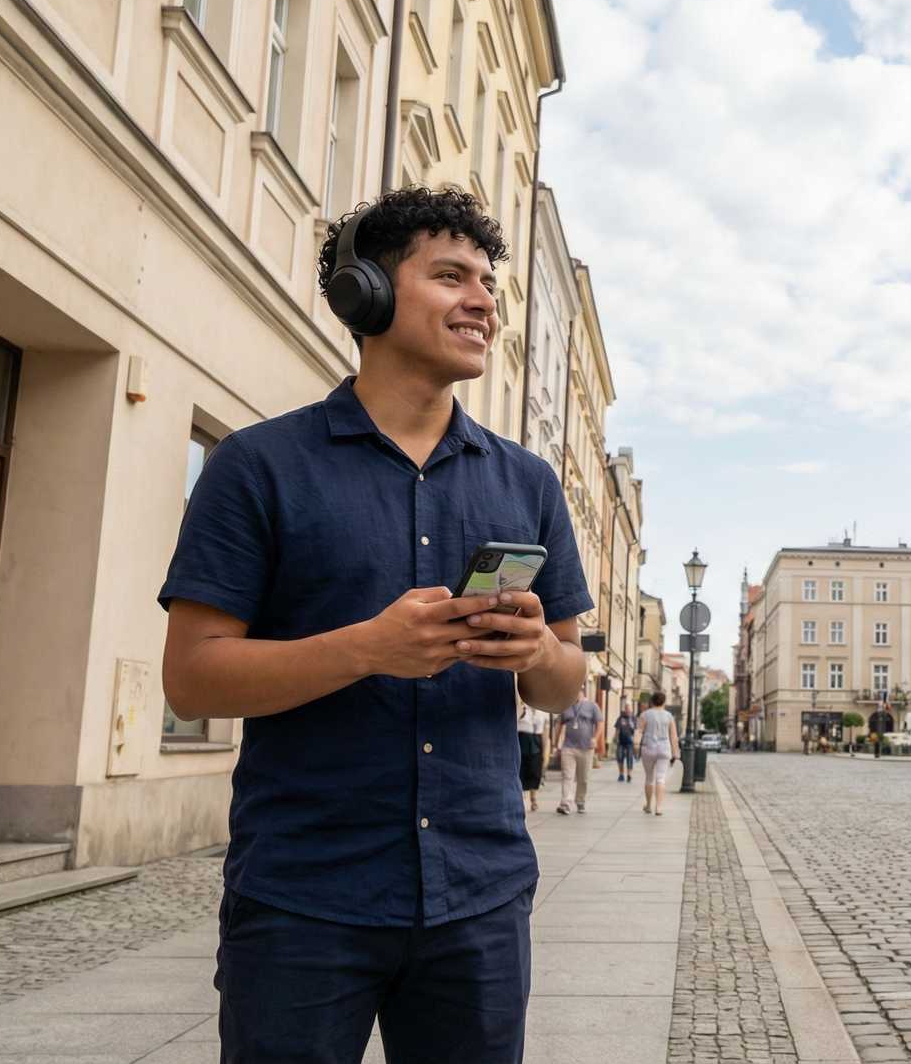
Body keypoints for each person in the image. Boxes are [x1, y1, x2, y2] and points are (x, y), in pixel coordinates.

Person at [159, 186, 592, 1063]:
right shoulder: (257, 467)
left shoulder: (529, 484)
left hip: (480, 894)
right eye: (450, 276)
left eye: (488, 282)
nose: (483, 300)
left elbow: (564, 678)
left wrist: (539, 649)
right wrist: (366, 650)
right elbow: (194, 675)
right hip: (303, 900)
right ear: (370, 294)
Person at [554, 693, 602, 815]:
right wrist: (556, 743)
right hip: (568, 747)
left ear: (581, 691)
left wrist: (595, 738)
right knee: (567, 776)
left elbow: (600, 723)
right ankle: (565, 803)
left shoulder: (592, 706)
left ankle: (580, 801)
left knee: (583, 778)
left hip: (586, 748)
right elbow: (559, 724)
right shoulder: (566, 705)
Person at [637, 691, 678, 816]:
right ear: (664, 702)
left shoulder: (645, 715)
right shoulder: (669, 716)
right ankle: (659, 807)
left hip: (648, 747)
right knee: (661, 778)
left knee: (649, 777)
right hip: (664, 749)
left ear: (652, 702)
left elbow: (639, 731)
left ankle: (648, 805)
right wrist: (675, 752)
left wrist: (635, 745)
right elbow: (673, 736)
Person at [519, 701, 549, 813]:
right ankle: (521, 798)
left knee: (535, 771)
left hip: (537, 741)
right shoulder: (521, 707)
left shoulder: (543, 710)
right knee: (521, 770)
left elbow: (545, 731)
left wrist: (546, 749)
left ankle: (533, 798)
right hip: (522, 739)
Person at [612, 707, 637, 783]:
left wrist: (636, 742)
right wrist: (615, 738)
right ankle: (621, 774)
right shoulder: (621, 718)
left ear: (631, 710)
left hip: (630, 742)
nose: (628, 711)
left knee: (630, 758)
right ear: (625, 710)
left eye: (629, 710)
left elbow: (637, 730)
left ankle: (629, 774)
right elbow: (617, 729)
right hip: (621, 741)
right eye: (626, 709)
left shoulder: (633, 719)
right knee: (620, 757)